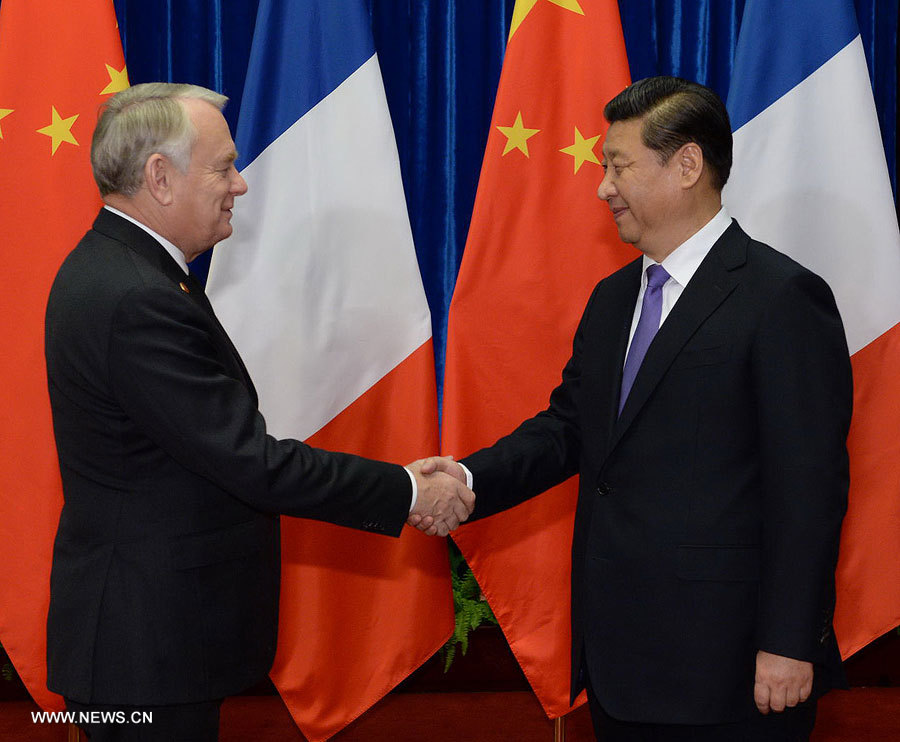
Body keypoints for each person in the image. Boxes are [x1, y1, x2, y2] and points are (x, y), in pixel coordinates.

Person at [416, 77, 852, 740]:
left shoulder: (781, 298)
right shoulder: (613, 298)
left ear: (687, 165)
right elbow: (569, 430)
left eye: (618, 166)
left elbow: (809, 489)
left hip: (729, 666)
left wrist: (790, 641)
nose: (603, 187)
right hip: (619, 660)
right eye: (602, 167)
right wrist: (468, 480)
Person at [44, 82, 473, 741]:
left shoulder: (126, 270)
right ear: (160, 177)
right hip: (146, 644)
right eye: (223, 166)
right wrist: (408, 489)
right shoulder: (135, 296)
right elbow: (248, 461)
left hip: (145, 634)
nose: (240, 184)